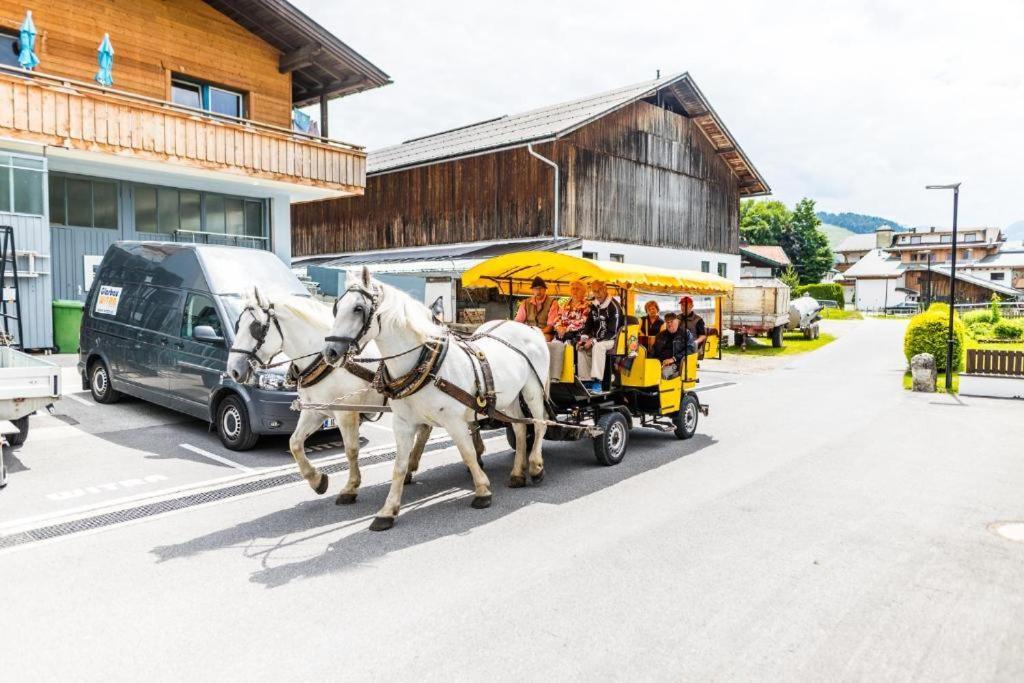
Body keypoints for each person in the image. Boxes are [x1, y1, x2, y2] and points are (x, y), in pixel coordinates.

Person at [577, 280, 623, 391]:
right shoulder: (594, 305)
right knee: (581, 348)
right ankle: (586, 380)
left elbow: (612, 332)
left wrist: (593, 341)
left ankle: (598, 382)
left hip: (613, 339)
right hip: (598, 338)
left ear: (605, 289)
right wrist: (583, 340)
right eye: (595, 291)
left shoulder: (614, 306)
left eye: (599, 290)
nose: (597, 294)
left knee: (598, 346)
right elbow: (588, 324)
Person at [548, 281, 590, 380]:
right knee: (553, 343)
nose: (574, 291)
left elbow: (582, 322)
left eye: (577, 289)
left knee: (565, 341)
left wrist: (565, 329)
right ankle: (553, 375)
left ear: (583, 292)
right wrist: (558, 327)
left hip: (577, 333)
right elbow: (557, 319)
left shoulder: (587, 305)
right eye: (572, 289)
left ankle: (566, 374)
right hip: (562, 333)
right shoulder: (566, 304)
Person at [651, 312, 696, 379]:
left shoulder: (686, 334)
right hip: (660, 363)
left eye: (671, 322)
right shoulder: (660, 335)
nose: (669, 324)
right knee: (646, 371)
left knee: (661, 374)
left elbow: (690, 349)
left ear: (677, 321)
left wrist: (673, 359)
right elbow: (654, 351)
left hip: (676, 364)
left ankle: (661, 388)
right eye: (667, 322)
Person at [515, 276, 560, 340]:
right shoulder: (525, 303)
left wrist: (537, 334)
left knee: (544, 338)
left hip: (546, 334)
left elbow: (550, 327)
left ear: (545, 290)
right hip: (529, 333)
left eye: (541, 288)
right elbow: (518, 322)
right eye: (536, 289)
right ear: (532, 290)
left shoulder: (552, 303)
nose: (538, 291)